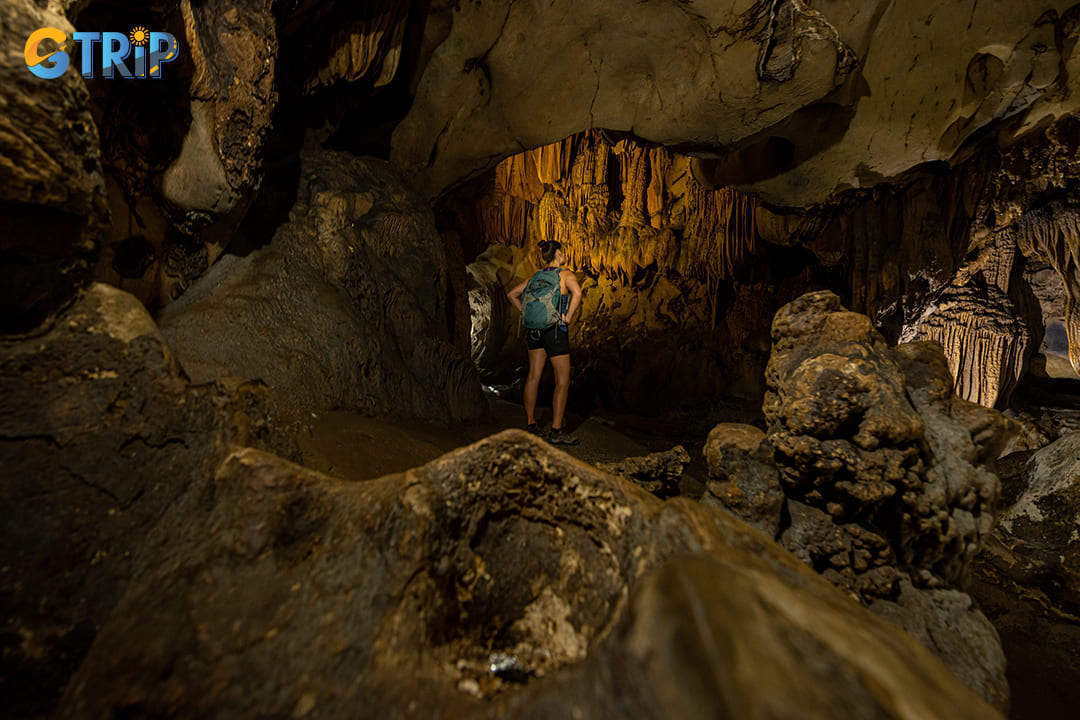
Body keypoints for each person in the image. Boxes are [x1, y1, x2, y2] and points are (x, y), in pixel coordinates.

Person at [507, 240, 583, 445]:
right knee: (562, 380)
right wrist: (568, 316)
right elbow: (577, 293)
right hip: (555, 331)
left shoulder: (535, 277)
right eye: (563, 251)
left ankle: (531, 424)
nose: (564, 254)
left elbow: (512, 294)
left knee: (533, 376)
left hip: (534, 332)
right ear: (558, 253)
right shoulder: (565, 275)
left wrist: (526, 312)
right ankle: (556, 431)